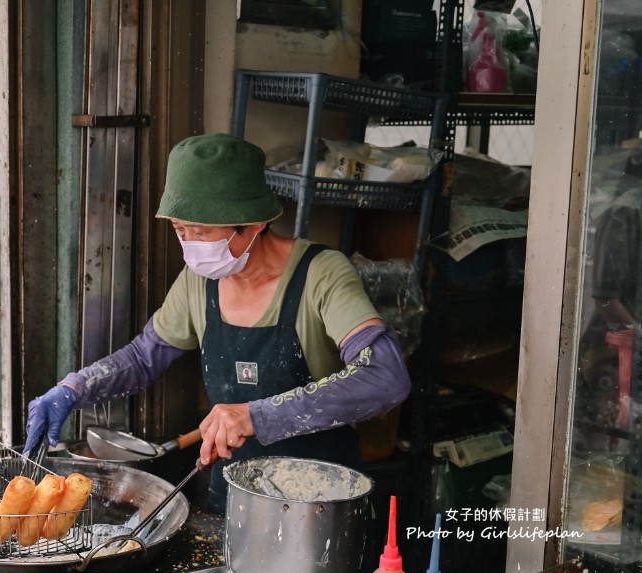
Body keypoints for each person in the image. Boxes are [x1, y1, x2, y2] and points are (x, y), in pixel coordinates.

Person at [24, 133, 411, 513]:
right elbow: (144, 357)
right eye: (180, 229)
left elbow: (384, 375)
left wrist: (255, 415)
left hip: (321, 504)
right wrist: (76, 386)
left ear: (255, 223)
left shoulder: (321, 274)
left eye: (203, 231)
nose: (191, 243)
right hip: (235, 498)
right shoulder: (198, 280)